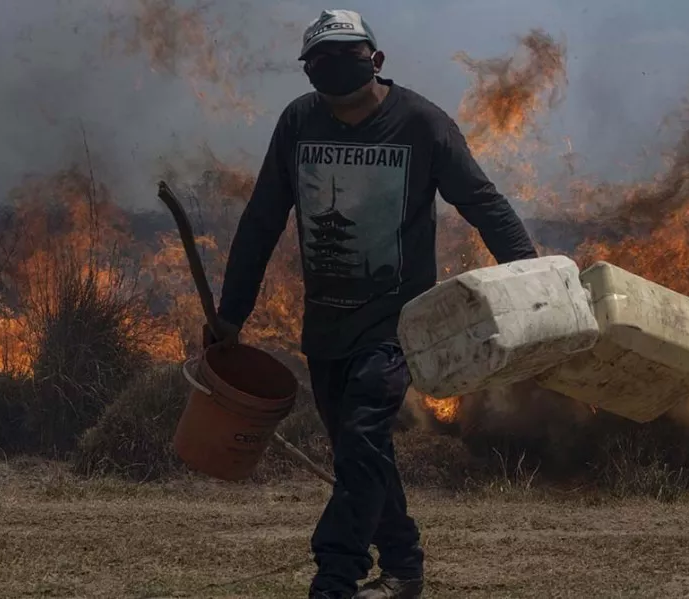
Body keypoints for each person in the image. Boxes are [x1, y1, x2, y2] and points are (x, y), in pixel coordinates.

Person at [205, 9, 538, 599]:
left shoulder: (421, 124)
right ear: (309, 72)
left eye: (346, 56)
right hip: (325, 324)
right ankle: (406, 567)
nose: (333, 70)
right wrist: (232, 314)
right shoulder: (298, 122)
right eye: (320, 61)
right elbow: (261, 221)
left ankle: (334, 578)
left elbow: (483, 202)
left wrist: (534, 276)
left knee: (361, 438)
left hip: (397, 323)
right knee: (361, 454)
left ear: (376, 60)